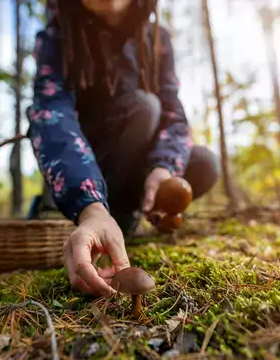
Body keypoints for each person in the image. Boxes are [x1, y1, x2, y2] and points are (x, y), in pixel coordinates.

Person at [27, 0, 220, 297]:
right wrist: (88, 206)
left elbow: (175, 116)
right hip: (85, 168)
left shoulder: (157, 39)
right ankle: (90, 214)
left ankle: (127, 214)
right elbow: (52, 117)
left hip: (136, 163)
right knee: (143, 108)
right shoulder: (57, 38)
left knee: (204, 164)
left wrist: (163, 168)